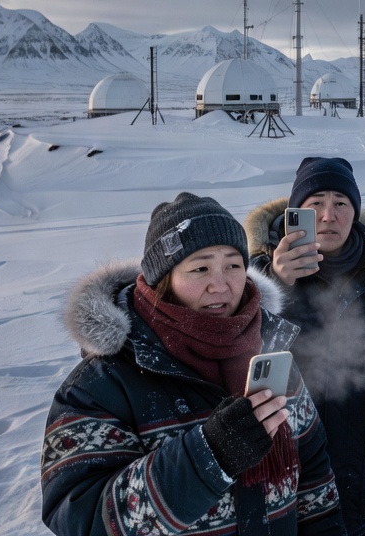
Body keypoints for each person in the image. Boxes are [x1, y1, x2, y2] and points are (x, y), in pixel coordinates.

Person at [40, 192, 345, 536]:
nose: (221, 285)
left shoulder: (269, 354)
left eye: (233, 265)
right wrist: (208, 456)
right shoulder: (101, 384)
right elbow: (82, 518)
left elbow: (313, 474)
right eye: (200, 268)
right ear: (162, 280)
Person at [245, 156, 365, 536]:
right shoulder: (255, 278)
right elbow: (236, 365)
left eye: (340, 203)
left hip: (363, 483)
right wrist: (276, 285)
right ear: (297, 213)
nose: (328, 216)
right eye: (315, 204)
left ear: (355, 212)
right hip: (282, 485)